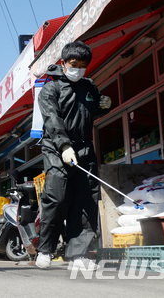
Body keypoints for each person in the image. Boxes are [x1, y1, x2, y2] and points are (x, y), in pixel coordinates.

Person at [35, 41, 111, 271]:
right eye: (73, 64)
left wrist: (103, 105)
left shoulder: (89, 87)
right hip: (56, 148)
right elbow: (52, 119)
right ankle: (45, 249)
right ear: (63, 63)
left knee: (85, 199)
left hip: (84, 148)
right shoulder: (51, 89)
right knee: (56, 197)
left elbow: (90, 111)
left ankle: (78, 254)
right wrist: (64, 145)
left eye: (83, 65)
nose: (77, 69)